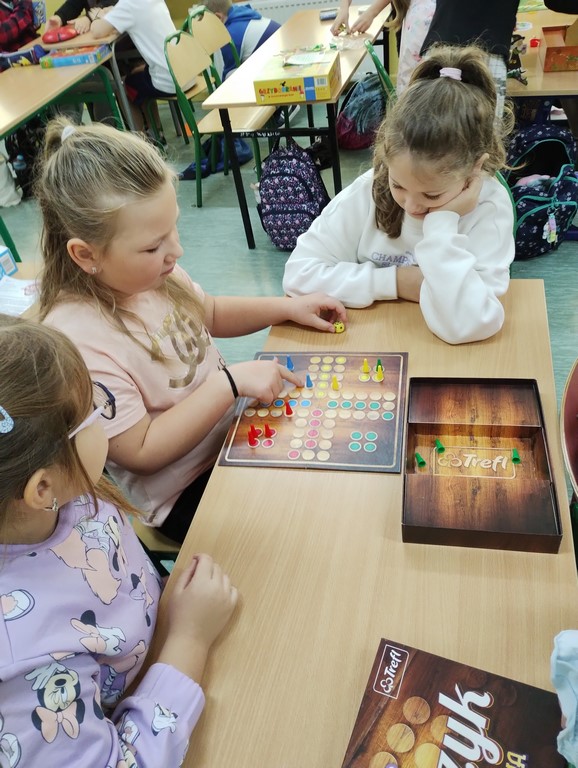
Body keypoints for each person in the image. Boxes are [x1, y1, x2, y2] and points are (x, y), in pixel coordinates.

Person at [38, 119, 347, 543]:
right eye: (154, 245)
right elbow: (141, 451)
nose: (177, 251)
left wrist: (287, 307)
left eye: (174, 229)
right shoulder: (78, 343)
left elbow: (211, 311)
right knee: (304, 526)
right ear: (85, 254)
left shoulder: (151, 275)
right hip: (184, 493)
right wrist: (229, 384)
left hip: (233, 435)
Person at [0, 313, 238, 768]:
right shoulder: (22, 661)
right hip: (170, 687)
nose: (106, 416)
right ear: (41, 488)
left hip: (167, 644)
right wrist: (189, 638)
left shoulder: (65, 499)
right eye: (94, 410)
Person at [283, 45, 515, 346]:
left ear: (475, 169)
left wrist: (442, 223)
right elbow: (298, 276)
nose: (412, 206)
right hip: (370, 343)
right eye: (399, 186)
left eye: (432, 195)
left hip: (444, 356)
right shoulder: (370, 188)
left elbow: (466, 325)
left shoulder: (489, 207)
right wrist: (395, 281)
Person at [89, 0, 176, 131]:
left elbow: (97, 31)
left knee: (122, 86)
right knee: (138, 73)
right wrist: (110, 13)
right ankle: (156, 131)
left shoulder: (129, 4)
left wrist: (96, 16)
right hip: (183, 72)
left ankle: (139, 138)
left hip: (168, 82)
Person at [202, 0, 280, 80]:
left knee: (232, 75)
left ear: (218, 18)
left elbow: (229, 75)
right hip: (281, 44)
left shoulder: (229, 36)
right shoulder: (240, 13)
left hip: (278, 60)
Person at [46, 0, 116, 35]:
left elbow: (112, 5)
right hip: (96, 37)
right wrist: (59, 18)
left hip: (116, 39)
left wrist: (88, 18)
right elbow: (73, 5)